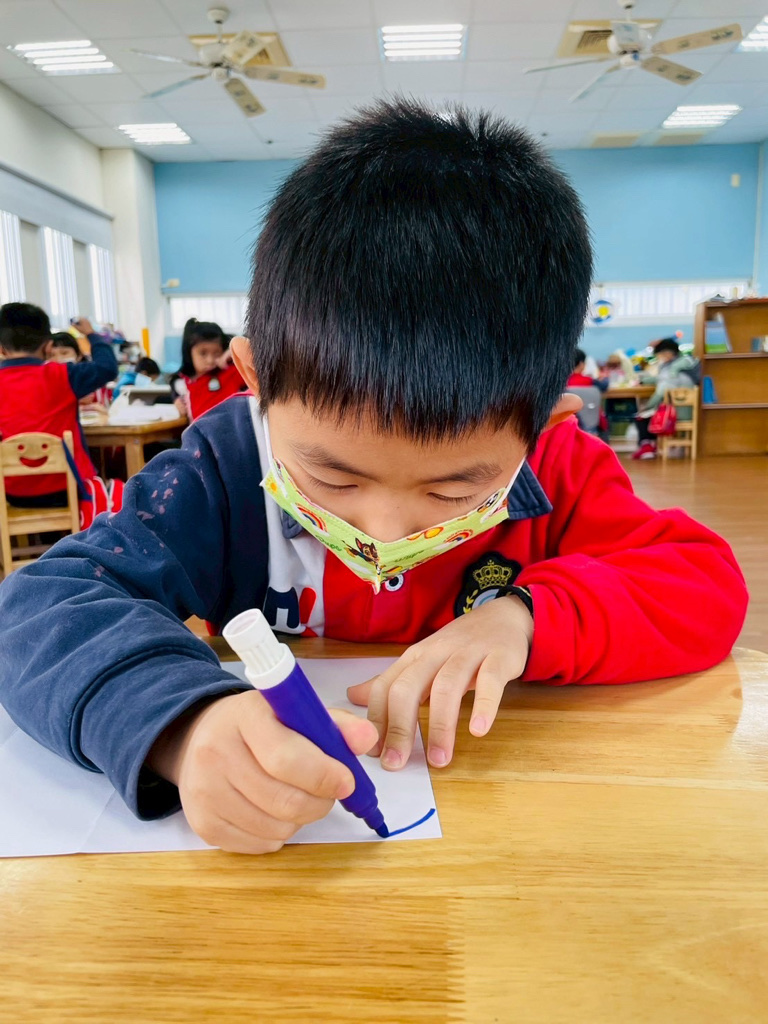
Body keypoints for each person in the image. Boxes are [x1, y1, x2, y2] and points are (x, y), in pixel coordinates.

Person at [0, 101, 746, 856]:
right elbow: (40, 607)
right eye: (333, 475)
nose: (384, 533)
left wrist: (526, 618)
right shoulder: (226, 469)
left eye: (452, 491)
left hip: (496, 837)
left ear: (543, 424)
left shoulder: (556, 468)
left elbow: (704, 585)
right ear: (256, 381)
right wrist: (182, 726)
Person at [0, 303, 123, 523]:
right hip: (67, 488)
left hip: (13, 494)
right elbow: (107, 368)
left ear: (1, 349)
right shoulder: (64, 375)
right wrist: (91, 334)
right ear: (48, 347)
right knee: (116, 487)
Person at [633, 337, 701, 460]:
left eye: (659, 355)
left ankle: (648, 447)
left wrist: (647, 407)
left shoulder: (671, 370)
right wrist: (644, 380)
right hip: (688, 411)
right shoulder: (683, 366)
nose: (658, 358)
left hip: (672, 414)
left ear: (667, 354)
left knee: (642, 416)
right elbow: (661, 379)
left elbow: (662, 391)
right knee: (648, 412)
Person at [170, 319, 246, 420]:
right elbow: (175, 388)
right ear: (189, 353)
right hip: (197, 429)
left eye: (217, 353)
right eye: (203, 353)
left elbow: (258, 366)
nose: (210, 360)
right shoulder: (181, 382)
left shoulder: (230, 372)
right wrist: (176, 400)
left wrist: (233, 352)